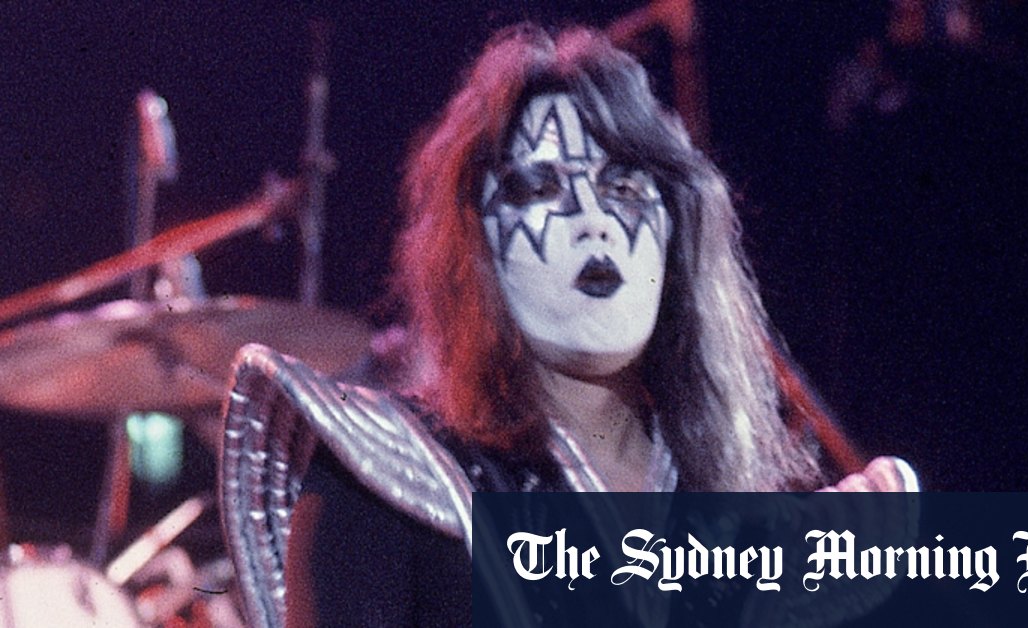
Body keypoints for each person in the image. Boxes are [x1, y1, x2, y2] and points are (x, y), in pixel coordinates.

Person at [219, 23, 917, 628]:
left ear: (676, 233)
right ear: (473, 245)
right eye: (539, 187)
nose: (593, 220)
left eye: (622, 187)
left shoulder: (733, 522)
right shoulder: (381, 474)